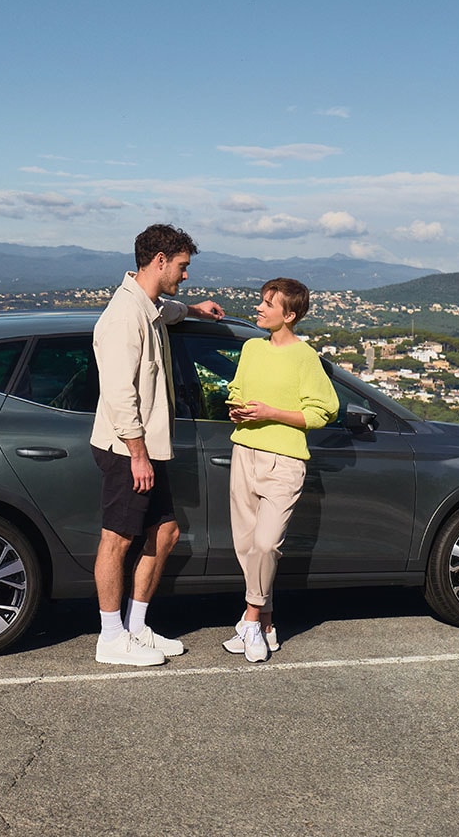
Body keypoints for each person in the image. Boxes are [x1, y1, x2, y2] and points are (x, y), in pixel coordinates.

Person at [90, 224, 225, 666]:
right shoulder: (122, 319)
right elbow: (119, 394)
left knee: (165, 533)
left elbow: (167, 310)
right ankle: (110, 639)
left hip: (145, 448)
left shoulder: (148, 306)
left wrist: (196, 311)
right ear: (160, 260)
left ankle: (137, 627)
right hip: (126, 449)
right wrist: (138, 454)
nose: (186, 275)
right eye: (183, 267)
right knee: (117, 539)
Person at [223, 278, 338, 662]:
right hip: (244, 453)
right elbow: (237, 390)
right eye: (261, 301)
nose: (259, 308)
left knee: (266, 544)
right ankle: (268, 622)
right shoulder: (252, 348)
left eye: (267, 304)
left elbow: (323, 411)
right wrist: (236, 408)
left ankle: (251, 620)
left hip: (284, 462)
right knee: (246, 547)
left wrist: (271, 413)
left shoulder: (306, 358)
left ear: (289, 315)